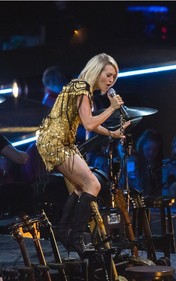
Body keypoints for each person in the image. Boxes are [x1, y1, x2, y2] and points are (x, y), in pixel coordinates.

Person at [36, 53, 130, 258]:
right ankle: (76, 235)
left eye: (114, 77)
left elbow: (91, 122)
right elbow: (89, 123)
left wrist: (112, 133)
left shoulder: (79, 87)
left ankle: (63, 230)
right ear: (97, 72)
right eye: (108, 75)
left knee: (81, 187)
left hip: (61, 142)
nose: (111, 81)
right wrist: (112, 108)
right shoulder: (81, 88)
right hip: (56, 143)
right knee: (93, 185)